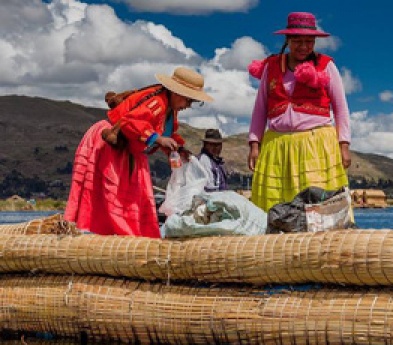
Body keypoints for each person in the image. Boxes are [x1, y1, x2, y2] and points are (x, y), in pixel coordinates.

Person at [64, 67, 213, 238]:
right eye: (188, 101)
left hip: (132, 152)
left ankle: (131, 238)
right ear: (177, 93)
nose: (188, 106)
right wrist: (158, 140)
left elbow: (166, 134)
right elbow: (129, 123)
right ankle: (115, 238)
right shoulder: (157, 103)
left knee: (136, 197)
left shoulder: (170, 110)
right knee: (115, 195)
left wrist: (178, 149)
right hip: (112, 146)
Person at [246, 12, 352, 219]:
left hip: (316, 146)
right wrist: (254, 144)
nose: (303, 46)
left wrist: (344, 145)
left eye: (308, 41)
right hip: (277, 146)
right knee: (275, 202)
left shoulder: (326, 66)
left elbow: (341, 108)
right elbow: (260, 107)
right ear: (288, 40)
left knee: (317, 204)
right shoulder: (272, 67)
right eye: (297, 41)